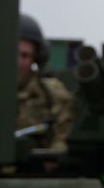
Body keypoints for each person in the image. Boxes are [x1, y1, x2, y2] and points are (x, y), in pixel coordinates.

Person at [17, 12, 75, 153]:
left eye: (25, 55)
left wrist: (54, 154)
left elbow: (65, 132)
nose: (18, 62)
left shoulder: (52, 93)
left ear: (35, 58)